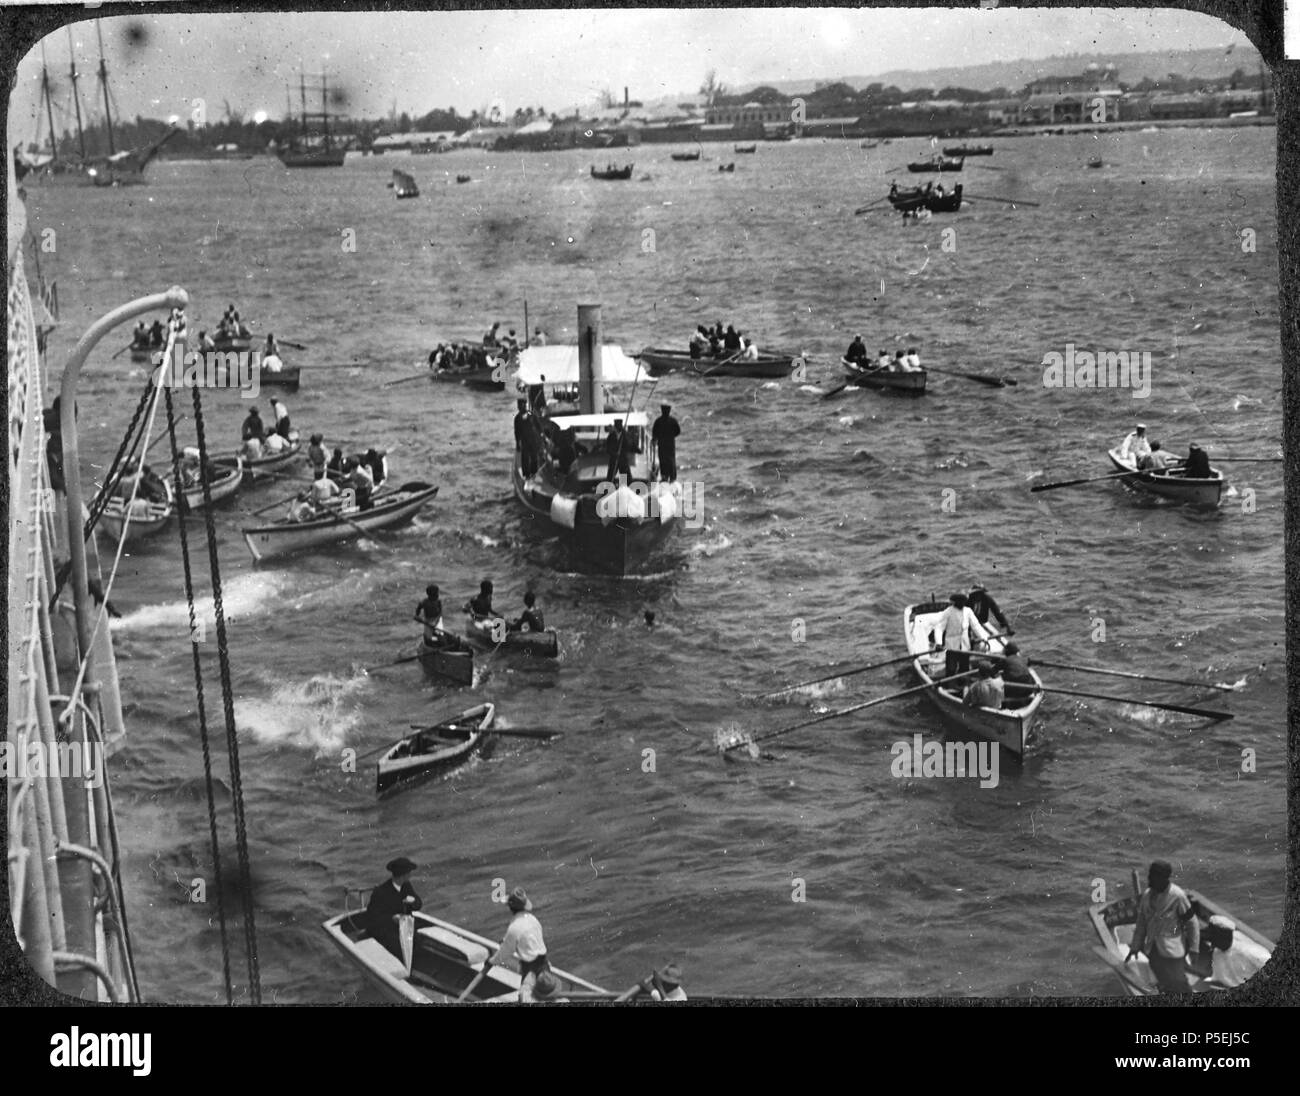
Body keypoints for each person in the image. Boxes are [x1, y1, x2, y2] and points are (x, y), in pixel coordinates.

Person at [1127, 860, 1199, 995]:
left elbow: (1192, 923)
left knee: (1179, 982)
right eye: (1150, 875)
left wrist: (1194, 949)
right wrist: (1135, 946)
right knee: (1162, 975)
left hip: (1171, 950)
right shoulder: (1147, 895)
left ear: (1164, 878)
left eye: (1154, 876)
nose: (1149, 879)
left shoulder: (1177, 896)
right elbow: (1141, 922)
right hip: (1153, 947)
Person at [478, 887, 550, 1003]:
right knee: (542, 996)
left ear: (511, 908)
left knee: (525, 999)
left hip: (531, 969)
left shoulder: (514, 927)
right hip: (544, 965)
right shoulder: (533, 920)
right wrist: (509, 941)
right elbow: (528, 941)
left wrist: (492, 961)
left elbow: (506, 951)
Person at [365, 856, 423, 961]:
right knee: (397, 945)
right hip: (385, 928)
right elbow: (372, 917)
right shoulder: (380, 892)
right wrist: (392, 918)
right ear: (403, 876)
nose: (410, 876)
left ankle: (413, 966)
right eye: (409, 873)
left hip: (403, 926)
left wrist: (412, 901)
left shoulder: (406, 886)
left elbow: (419, 904)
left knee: (417, 941)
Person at [937, 592, 989, 681]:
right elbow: (939, 628)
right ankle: (949, 684)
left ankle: (963, 685)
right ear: (955, 602)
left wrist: (984, 637)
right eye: (959, 601)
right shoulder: (948, 612)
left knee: (964, 667)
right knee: (951, 668)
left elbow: (976, 626)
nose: (962, 603)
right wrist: (938, 643)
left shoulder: (968, 611)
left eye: (963, 601)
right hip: (952, 645)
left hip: (965, 644)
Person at [999, 641, 1038, 709]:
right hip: (1028, 688)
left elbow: (992, 671)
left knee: (997, 681)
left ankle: (1003, 706)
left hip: (1014, 689)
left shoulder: (1005, 660)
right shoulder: (1022, 659)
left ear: (1006, 652)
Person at [652, 404, 680, 483]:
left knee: (665, 459)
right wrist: (672, 436)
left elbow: (655, 433)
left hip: (663, 443)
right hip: (669, 444)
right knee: (669, 460)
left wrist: (655, 439)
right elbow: (678, 431)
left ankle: (666, 476)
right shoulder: (672, 421)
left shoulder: (658, 421)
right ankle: (671, 477)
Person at [514, 399, 540, 477]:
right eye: (520, 405)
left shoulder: (531, 414)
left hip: (533, 439)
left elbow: (538, 426)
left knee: (534, 456)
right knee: (525, 457)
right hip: (524, 440)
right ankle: (526, 474)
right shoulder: (517, 418)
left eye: (523, 405)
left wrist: (541, 436)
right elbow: (517, 432)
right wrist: (517, 443)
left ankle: (534, 472)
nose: (522, 407)